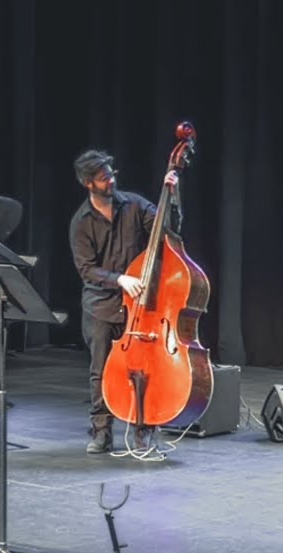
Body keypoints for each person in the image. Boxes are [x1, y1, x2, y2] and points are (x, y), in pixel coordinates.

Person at [68, 149, 180, 453]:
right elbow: (86, 270)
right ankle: (102, 432)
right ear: (89, 184)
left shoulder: (133, 204)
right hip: (102, 306)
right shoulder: (81, 222)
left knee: (146, 367)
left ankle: (145, 429)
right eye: (104, 178)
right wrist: (120, 279)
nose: (111, 181)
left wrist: (172, 194)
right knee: (101, 370)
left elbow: (165, 231)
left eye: (111, 174)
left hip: (140, 306)